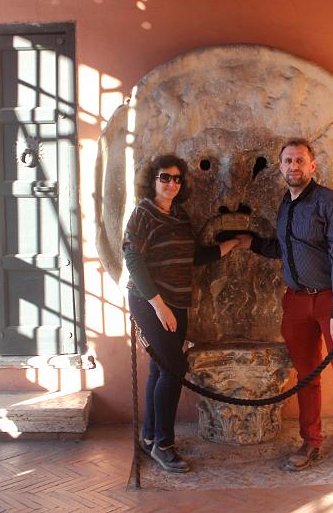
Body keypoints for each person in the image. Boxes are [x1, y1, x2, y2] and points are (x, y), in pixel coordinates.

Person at [236, 139, 333, 471]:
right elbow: (286, 249)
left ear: (312, 165)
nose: (294, 166)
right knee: (306, 375)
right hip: (297, 302)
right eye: (288, 161)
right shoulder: (285, 205)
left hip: (332, 299)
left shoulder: (330, 203)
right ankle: (310, 441)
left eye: (300, 160)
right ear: (281, 167)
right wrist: (252, 243)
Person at [124, 154, 239, 473]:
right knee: (174, 369)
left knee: (160, 370)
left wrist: (232, 244)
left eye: (176, 179)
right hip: (150, 302)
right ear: (153, 180)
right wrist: (159, 307)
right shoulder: (142, 214)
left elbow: (192, 256)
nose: (171, 184)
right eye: (165, 178)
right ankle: (164, 445)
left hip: (177, 301)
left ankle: (149, 437)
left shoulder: (180, 216)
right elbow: (133, 260)